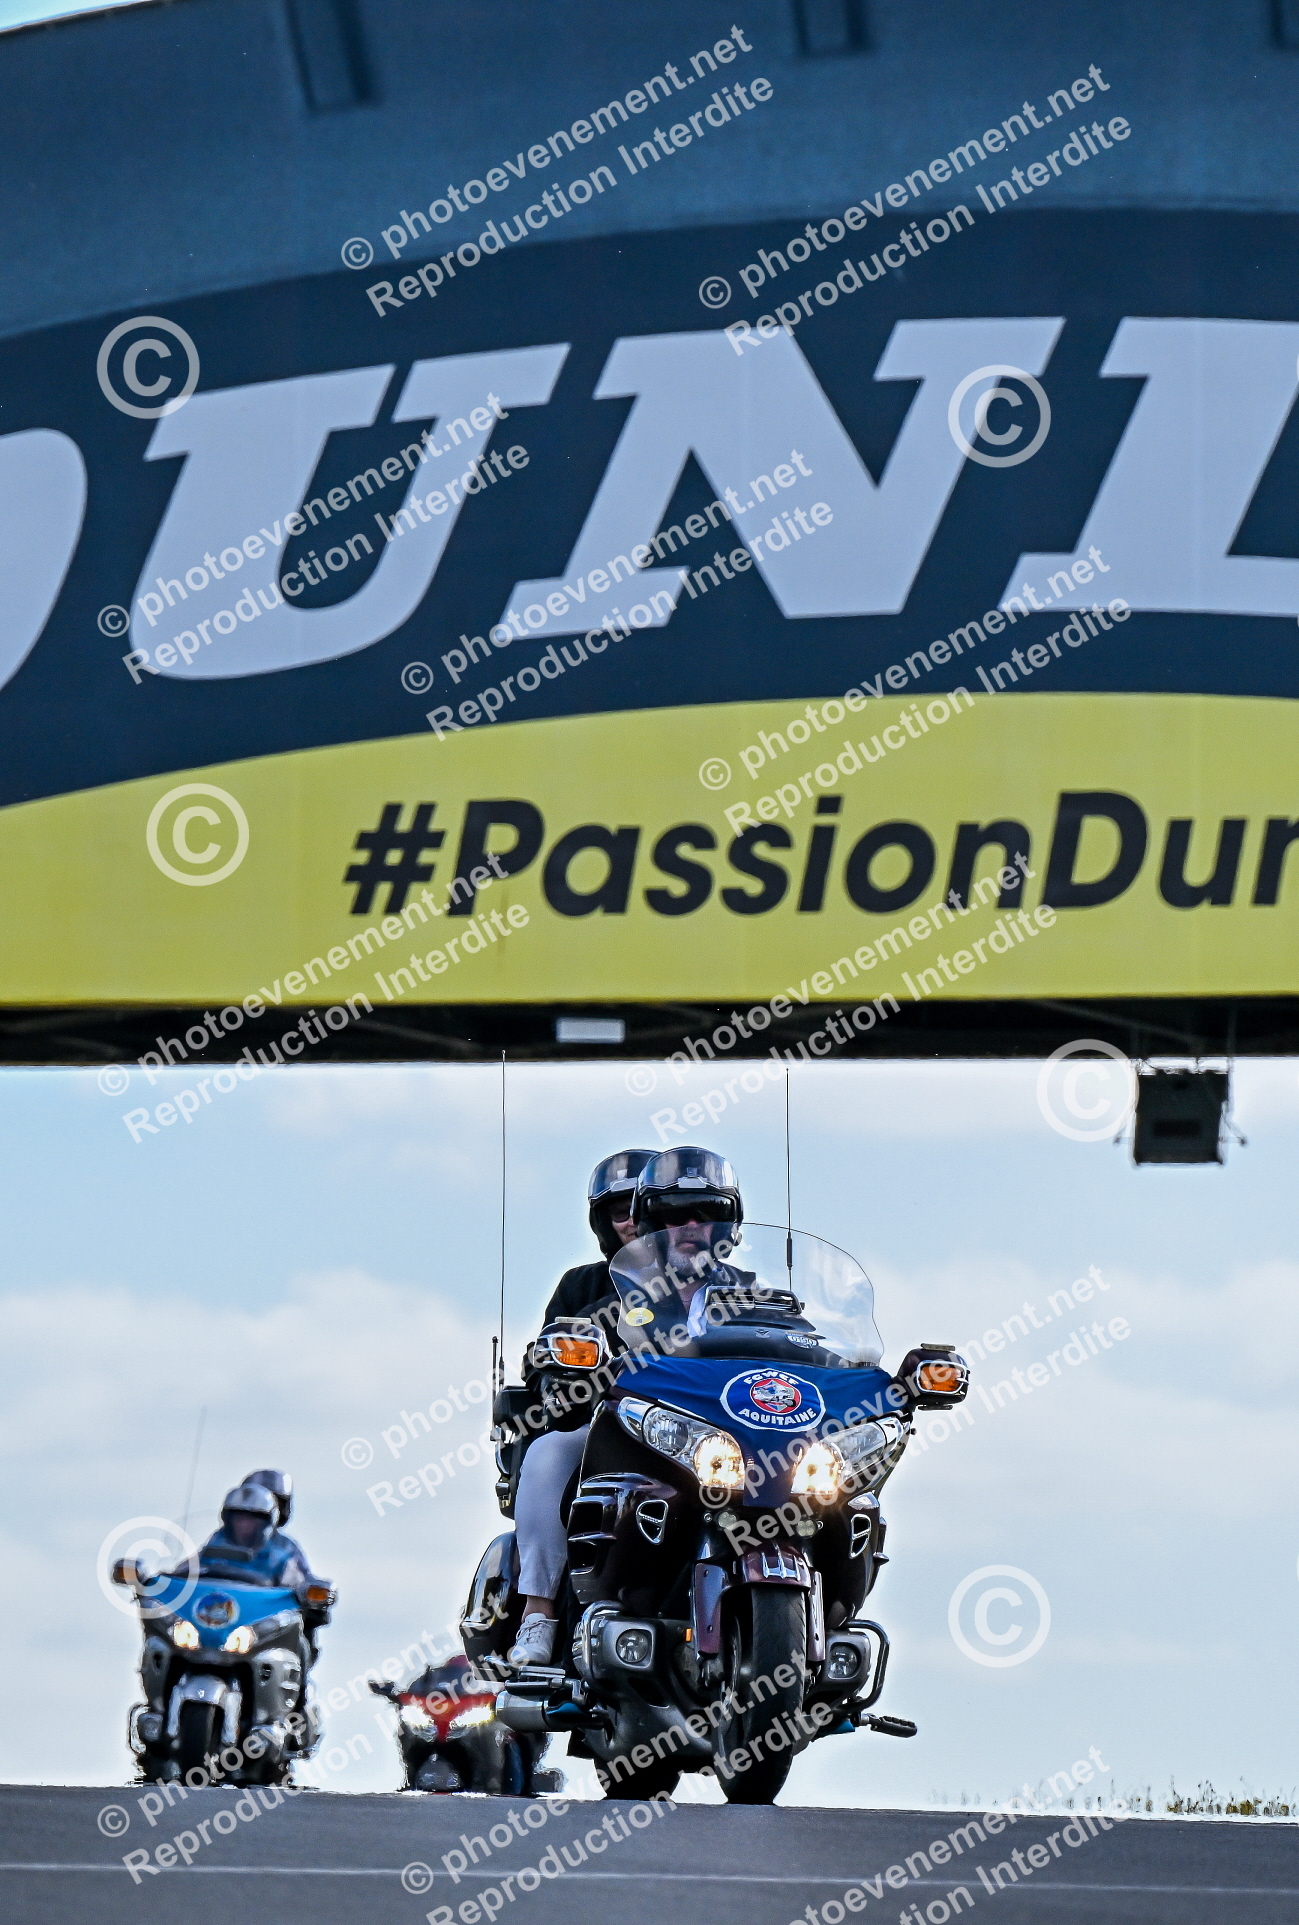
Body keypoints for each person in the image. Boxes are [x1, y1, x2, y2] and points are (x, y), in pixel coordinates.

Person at [507, 1146, 742, 1667]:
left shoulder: (744, 1291)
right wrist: (562, 1362)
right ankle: (538, 1613)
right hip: (618, 1424)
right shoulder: (594, 1289)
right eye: (672, 1215)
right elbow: (547, 1356)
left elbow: (801, 1345)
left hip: (719, 1438)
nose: (687, 1226)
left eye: (703, 1214)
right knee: (547, 1455)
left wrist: (854, 1366)